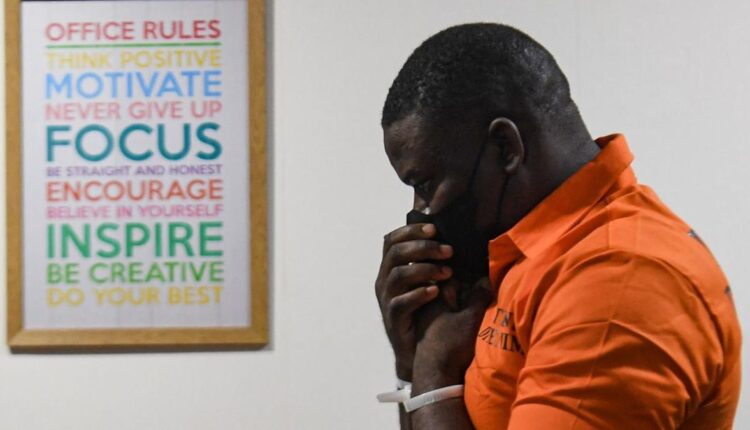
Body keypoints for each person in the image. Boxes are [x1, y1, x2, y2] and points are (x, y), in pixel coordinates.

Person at [374, 23, 741, 430]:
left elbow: (437, 386)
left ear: (506, 147)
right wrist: (411, 359)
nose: (421, 211)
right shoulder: (523, 254)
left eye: (426, 185)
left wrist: (434, 370)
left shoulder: (618, 278)